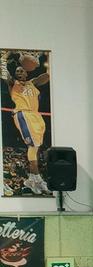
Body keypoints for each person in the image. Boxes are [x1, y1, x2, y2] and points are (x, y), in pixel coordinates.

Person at [5, 53, 50, 194]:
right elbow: (5, 73)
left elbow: (46, 76)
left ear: (26, 72)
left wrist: (46, 61)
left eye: (21, 71)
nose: (19, 73)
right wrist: (5, 57)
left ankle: (32, 179)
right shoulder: (13, 83)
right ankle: (37, 178)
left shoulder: (32, 83)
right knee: (32, 145)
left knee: (36, 147)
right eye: (17, 71)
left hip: (36, 115)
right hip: (23, 114)